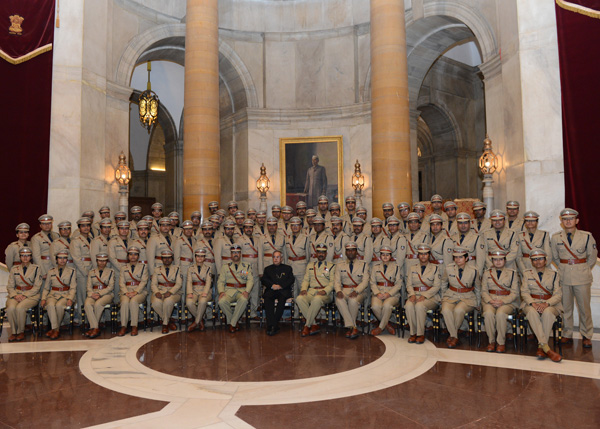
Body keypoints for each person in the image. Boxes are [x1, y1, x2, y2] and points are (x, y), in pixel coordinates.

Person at [550, 208, 597, 348]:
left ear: (576, 221)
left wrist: (581, 268)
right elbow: (555, 257)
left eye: (571, 219)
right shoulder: (556, 237)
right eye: (565, 219)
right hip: (564, 276)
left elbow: (592, 257)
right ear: (561, 221)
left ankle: (586, 335)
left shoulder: (586, 236)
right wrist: (565, 267)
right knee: (566, 307)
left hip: (582, 276)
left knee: (584, 308)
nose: (568, 221)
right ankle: (567, 333)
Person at [521, 249, 562, 362]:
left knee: (548, 312)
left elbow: (558, 294)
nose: (538, 262)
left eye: (540, 259)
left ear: (545, 260)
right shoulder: (527, 273)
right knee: (531, 312)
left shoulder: (554, 274)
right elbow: (524, 292)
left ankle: (541, 346)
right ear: (531, 261)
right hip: (531, 302)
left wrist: (546, 303)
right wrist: (533, 303)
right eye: (534, 259)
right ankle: (545, 347)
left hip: (550, 303)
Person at [440, 246, 480, 348]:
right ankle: (454, 335)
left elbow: (478, 288)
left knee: (458, 310)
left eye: (461, 257)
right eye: (455, 257)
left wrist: (478, 303)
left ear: (466, 258)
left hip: (467, 297)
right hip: (451, 294)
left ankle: (453, 336)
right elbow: (443, 283)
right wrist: (443, 297)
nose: (457, 260)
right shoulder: (449, 268)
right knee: (445, 310)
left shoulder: (473, 270)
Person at [481, 249, 520, 353]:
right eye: (495, 260)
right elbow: (484, 291)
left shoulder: (512, 273)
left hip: (507, 301)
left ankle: (501, 342)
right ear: (492, 261)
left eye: (501, 259)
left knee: (501, 313)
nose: (498, 262)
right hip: (491, 300)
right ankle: (491, 341)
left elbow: (514, 293)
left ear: (505, 260)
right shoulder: (486, 273)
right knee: (488, 313)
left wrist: (503, 301)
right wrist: (490, 300)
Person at [404, 244, 441, 344]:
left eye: (425, 254)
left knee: (420, 306)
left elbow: (437, 286)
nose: (423, 256)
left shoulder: (435, 268)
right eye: (421, 254)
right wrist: (412, 294)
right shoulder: (412, 268)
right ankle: (413, 333)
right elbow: (409, 284)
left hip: (431, 297)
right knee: (408, 305)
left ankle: (420, 334)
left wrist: (424, 295)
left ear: (429, 255)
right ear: (418, 255)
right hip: (415, 294)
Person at [297, 243, 335, 337]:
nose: (321, 254)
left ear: (326, 254)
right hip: (312, 291)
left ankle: (307, 325)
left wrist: (325, 290)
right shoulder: (310, 265)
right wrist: (303, 289)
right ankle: (314, 324)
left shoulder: (331, 266)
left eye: (323, 252)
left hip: (326, 294)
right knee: (299, 299)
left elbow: (333, 282)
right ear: (316, 253)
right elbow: (306, 280)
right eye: (319, 252)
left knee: (317, 299)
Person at [334, 242, 369, 339]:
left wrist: (356, 291)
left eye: (353, 250)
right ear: (345, 252)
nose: (350, 252)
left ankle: (351, 326)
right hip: (344, 290)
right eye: (348, 250)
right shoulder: (340, 265)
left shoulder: (363, 264)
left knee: (353, 300)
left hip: (360, 291)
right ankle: (353, 326)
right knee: (338, 300)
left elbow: (365, 282)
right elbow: (336, 281)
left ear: (356, 252)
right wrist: (338, 291)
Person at [6, 247, 42, 342]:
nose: (25, 258)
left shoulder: (36, 268)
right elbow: (10, 286)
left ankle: (21, 331)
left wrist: (25, 295)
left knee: (20, 308)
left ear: (31, 257)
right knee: (10, 308)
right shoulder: (14, 269)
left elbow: (37, 286)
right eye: (23, 256)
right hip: (16, 294)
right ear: (20, 257)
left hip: (31, 295)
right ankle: (14, 332)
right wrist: (15, 295)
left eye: (27, 256)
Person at [217, 243, 254, 333]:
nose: (236, 254)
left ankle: (232, 323)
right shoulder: (225, 266)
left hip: (242, 290)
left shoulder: (247, 266)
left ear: (241, 254)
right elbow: (220, 281)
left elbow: (250, 280)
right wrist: (221, 292)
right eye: (233, 253)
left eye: (238, 252)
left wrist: (247, 291)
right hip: (229, 290)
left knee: (244, 300)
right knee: (221, 302)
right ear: (231, 254)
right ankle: (234, 321)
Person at [40, 249, 76, 340]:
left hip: (66, 294)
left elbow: (73, 287)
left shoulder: (72, 271)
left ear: (67, 260)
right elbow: (46, 288)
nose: (62, 260)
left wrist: (70, 298)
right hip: (53, 294)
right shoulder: (51, 271)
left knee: (60, 306)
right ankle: (56, 329)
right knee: (50, 305)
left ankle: (55, 329)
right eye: (60, 258)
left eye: (64, 258)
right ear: (56, 260)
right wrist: (43, 298)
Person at [370, 246, 402, 336]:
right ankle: (387, 325)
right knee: (375, 307)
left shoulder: (396, 267)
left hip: (392, 293)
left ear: (391, 256)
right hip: (378, 292)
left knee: (387, 305)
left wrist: (389, 293)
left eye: (387, 255)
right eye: (383, 254)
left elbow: (399, 284)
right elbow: (372, 282)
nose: (385, 256)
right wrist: (377, 293)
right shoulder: (375, 267)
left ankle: (380, 328)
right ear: (380, 256)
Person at [261, 250, 294, 335]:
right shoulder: (267, 269)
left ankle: (273, 325)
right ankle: (272, 325)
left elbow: (291, 279)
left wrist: (281, 286)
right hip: (271, 290)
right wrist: (272, 285)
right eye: (274, 257)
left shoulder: (287, 268)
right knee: (268, 300)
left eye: (277, 257)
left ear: (282, 258)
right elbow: (264, 280)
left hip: (283, 291)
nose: (275, 259)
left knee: (282, 301)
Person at [117, 246, 148, 337]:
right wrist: (126, 292)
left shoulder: (143, 267)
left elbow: (144, 281)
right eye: (131, 254)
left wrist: (136, 292)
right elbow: (121, 282)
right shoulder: (123, 268)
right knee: (125, 302)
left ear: (138, 256)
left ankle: (134, 326)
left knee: (134, 301)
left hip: (140, 291)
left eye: (135, 254)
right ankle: (124, 326)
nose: (133, 256)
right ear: (128, 256)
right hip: (126, 291)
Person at [151, 249, 182, 334]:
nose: (167, 260)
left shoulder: (177, 269)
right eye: (164, 258)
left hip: (174, 293)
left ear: (172, 259)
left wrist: (171, 292)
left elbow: (179, 284)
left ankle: (165, 324)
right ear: (161, 259)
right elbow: (153, 284)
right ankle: (169, 321)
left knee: (168, 301)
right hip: (160, 292)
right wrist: (157, 292)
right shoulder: (157, 270)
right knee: (155, 303)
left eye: (169, 258)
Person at [84, 252, 115, 338]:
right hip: (93, 293)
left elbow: (110, 287)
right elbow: (88, 286)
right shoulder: (91, 272)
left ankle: (93, 328)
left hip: (107, 294)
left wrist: (99, 294)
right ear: (97, 261)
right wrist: (92, 294)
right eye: (100, 261)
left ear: (107, 262)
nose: (102, 263)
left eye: (104, 261)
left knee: (98, 304)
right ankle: (95, 327)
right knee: (87, 304)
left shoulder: (111, 272)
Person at [285, 217, 311, 316]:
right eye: (293, 225)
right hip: (290, 265)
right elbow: (285, 253)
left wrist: (306, 266)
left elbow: (308, 255)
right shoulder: (287, 238)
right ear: (290, 226)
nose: (295, 227)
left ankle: (306, 314)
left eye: (297, 225)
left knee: (303, 291)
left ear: (300, 226)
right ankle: (295, 314)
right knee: (293, 292)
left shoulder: (305, 238)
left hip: (301, 266)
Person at [71, 217, 94, 324]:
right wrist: (85, 272)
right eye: (83, 226)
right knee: (82, 296)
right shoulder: (76, 240)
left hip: (92, 269)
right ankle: (82, 319)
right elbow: (76, 258)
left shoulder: (92, 238)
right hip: (82, 272)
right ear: (79, 228)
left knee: (91, 295)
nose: (86, 228)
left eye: (88, 225)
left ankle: (91, 318)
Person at [238, 219, 262, 318]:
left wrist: (260, 270)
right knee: (244, 291)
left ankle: (253, 312)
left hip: (255, 268)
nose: (248, 229)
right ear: (243, 229)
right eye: (247, 227)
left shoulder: (257, 239)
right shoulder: (239, 240)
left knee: (255, 291)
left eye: (250, 227)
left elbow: (260, 256)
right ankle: (243, 314)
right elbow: (238, 256)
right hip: (244, 268)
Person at [186, 248, 213, 332]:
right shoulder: (190, 268)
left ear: (204, 258)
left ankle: (196, 322)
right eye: (198, 256)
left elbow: (208, 282)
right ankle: (201, 320)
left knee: (202, 301)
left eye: (202, 256)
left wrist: (205, 292)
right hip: (194, 290)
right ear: (195, 257)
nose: (200, 258)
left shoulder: (208, 268)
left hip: (204, 290)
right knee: (189, 303)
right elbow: (189, 281)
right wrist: (190, 292)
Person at [31, 214, 59, 280]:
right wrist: (42, 272)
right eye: (44, 224)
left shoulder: (56, 236)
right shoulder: (36, 238)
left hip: (56, 266)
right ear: (40, 225)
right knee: (44, 289)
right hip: (45, 267)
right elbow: (36, 256)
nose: (47, 225)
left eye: (49, 223)